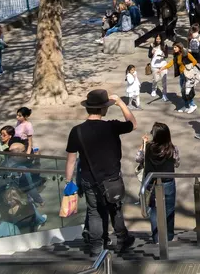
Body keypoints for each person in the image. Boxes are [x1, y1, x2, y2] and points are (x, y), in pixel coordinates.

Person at [65, 89, 137, 256]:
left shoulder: (77, 131)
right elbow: (133, 123)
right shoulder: (111, 126)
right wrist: (120, 103)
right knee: (115, 209)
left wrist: (69, 181)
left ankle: (97, 247)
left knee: (94, 212)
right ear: (104, 108)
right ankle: (122, 239)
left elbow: (70, 159)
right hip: (112, 178)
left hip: (89, 179)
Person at [137, 122, 180, 243]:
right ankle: (169, 236)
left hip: (151, 183)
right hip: (168, 182)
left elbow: (138, 159)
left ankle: (157, 238)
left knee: (154, 210)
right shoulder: (172, 148)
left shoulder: (148, 148)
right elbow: (177, 163)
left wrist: (143, 144)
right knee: (169, 209)